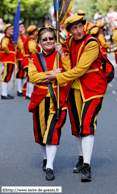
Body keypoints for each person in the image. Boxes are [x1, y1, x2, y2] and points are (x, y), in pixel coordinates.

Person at [41, 15, 112, 182]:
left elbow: (79, 70)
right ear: (70, 31)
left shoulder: (92, 43)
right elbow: (70, 67)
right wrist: (61, 53)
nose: (79, 30)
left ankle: (87, 165)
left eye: (80, 26)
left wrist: (57, 78)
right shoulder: (71, 42)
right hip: (74, 89)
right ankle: (81, 159)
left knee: (87, 123)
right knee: (76, 126)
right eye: (74, 28)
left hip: (93, 89)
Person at [28, 27, 69, 181]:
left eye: (51, 38)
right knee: (40, 133)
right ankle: (45, 158)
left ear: (55, 39)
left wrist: (62, 54)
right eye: (44, 39)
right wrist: (53, 74)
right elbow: (32, 77)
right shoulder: (33, 58)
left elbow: (70, 72)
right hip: (39, 99)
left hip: (58, 99)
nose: (48, 41)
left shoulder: (62, 56)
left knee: (51, 133)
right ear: (39, 42)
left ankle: (50, 166)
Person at [22, 25, 41, 99]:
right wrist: (38, 55)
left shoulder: (26, 39)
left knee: (29, 77)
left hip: (25, 60)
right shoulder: (32, 41)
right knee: (31, 78)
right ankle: (30, 94)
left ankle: (28, 94)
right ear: (34, 33)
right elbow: (32, 48)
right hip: (29, 60)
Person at [0, 24, 15, 99]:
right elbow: (4, 46)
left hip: (10, 59)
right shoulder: (6, 38)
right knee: (6, 75)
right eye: (10, 29)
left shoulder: (10, 38)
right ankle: (3, 94)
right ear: (6, 30)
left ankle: (5, 93)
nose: (12, 30)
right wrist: (8, 53)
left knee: (8, 75)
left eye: (12, 29)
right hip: (7, 59)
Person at [16, 21, 27, 96]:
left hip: (25, 56)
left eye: (23, 26)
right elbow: (21, 46)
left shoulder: (24, 35)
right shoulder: (17, 35)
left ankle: (23, 89)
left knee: (24, 73)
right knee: (20, 72)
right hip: (20, 56)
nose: (22, 28)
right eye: (21, 26)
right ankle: (19, 90)